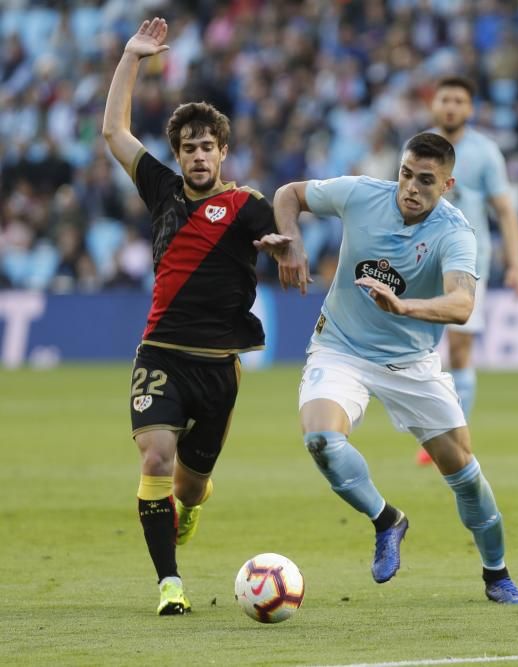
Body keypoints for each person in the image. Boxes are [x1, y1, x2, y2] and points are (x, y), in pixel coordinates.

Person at [257, 132, 518, 604]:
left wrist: (406, 309)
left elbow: (463, 304)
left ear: (447, 185)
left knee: (464, 473)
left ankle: (497, 574)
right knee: (321, 439)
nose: (411, 187)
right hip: (340, 348)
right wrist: (293, 240)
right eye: (406, 174)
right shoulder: (362, 193)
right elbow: (289, 194)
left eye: (426, 180)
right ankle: (388, 521)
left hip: (411, 363)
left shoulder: (455, 231)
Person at [103, 18, 280, 615]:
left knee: (189, 485)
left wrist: (287, 248)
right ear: (178, 156)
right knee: (155, 456)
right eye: (188, 148)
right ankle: (169, 585)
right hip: (161, 354)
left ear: (223, 153)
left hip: (218, 368)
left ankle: (193, 504)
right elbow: (113, 131)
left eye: (208, 146)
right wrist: (133, 57)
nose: (198, 155)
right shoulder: (161, 190)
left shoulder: (244, 205)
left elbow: (280, 231)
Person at [413, 76, 518, 465]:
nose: (451, 107)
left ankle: (454, 433)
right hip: (421, 257)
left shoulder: (485, 152)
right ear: (435, 104)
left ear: (470, 109)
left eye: (459, 101)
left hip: (468, 262)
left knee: (460, 348)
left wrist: (517, 264)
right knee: (419, 348)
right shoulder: (417, 148)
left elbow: (506, 211)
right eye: (445, 99)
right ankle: (432, 427)